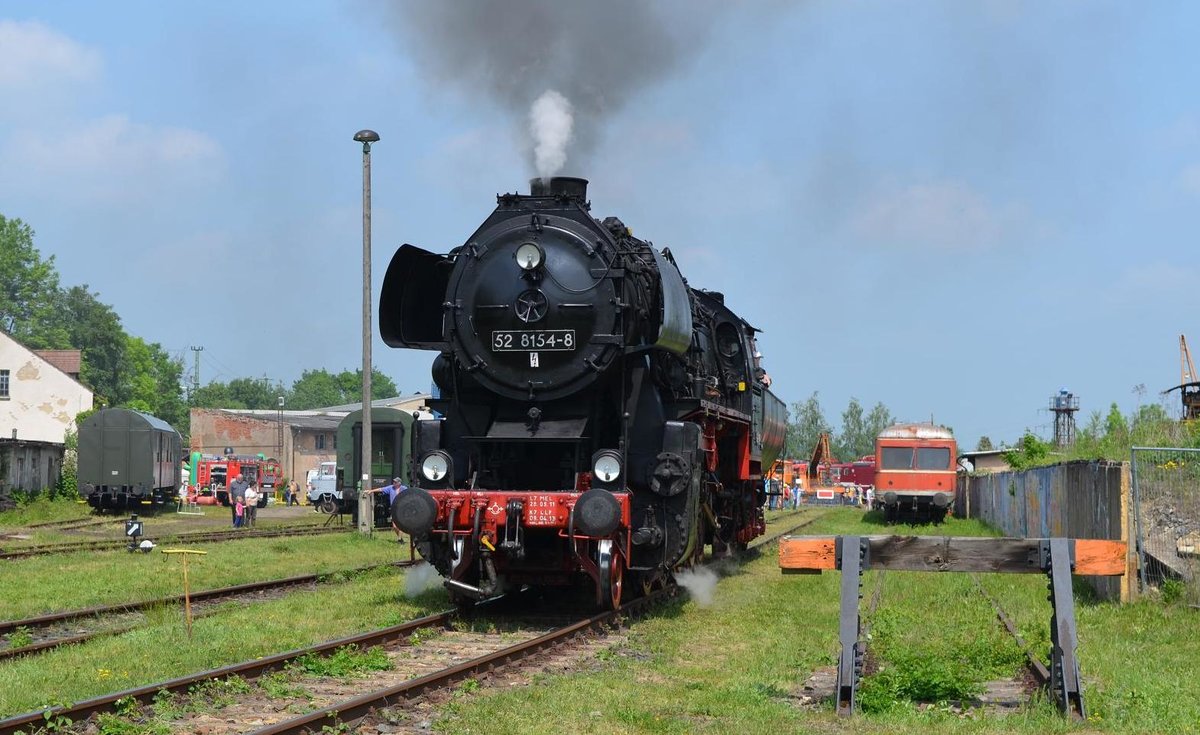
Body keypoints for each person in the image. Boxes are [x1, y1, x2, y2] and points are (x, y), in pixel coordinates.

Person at [367, 477, 408, 543]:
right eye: (393, 482)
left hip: (402, 508)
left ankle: (399, 539)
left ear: (399, 483)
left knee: (400, 524)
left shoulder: (404, 488)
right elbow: (381, 489)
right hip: (394, 508)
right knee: (394, 526)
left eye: (395, 482)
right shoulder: (390, 488)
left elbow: (409, 495)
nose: (394, 483)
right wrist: (371, 491)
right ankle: (400, 539)